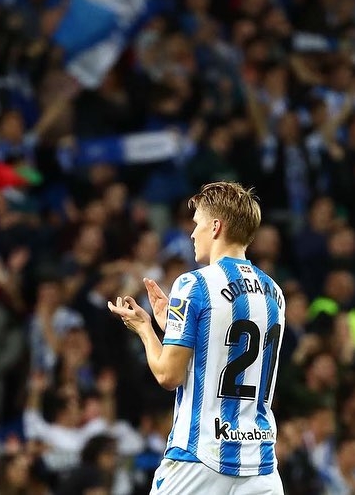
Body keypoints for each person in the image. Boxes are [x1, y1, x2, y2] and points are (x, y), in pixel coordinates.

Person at [108, 182, 286, 494]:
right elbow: (229, 344)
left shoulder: (193, 285)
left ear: (216, 226)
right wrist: (173, 325)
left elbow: (168, 375)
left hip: (200, 456)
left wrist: (146, 330)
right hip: (260, 462)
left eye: (197, 224)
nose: (192, 234)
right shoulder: (276, 294)